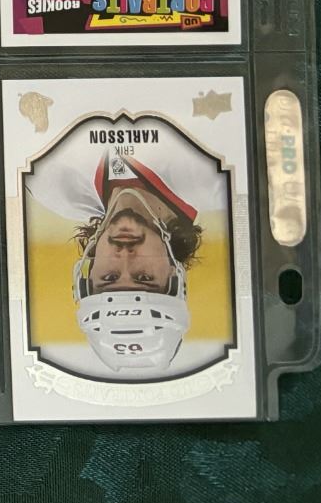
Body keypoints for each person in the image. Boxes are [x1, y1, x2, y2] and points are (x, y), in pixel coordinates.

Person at [26, 117, 220, 377]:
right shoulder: (215, 179)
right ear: (174, 274)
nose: (125, 256)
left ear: (88, 275)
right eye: (144, 277)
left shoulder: (52, 187)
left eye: (109, 277)